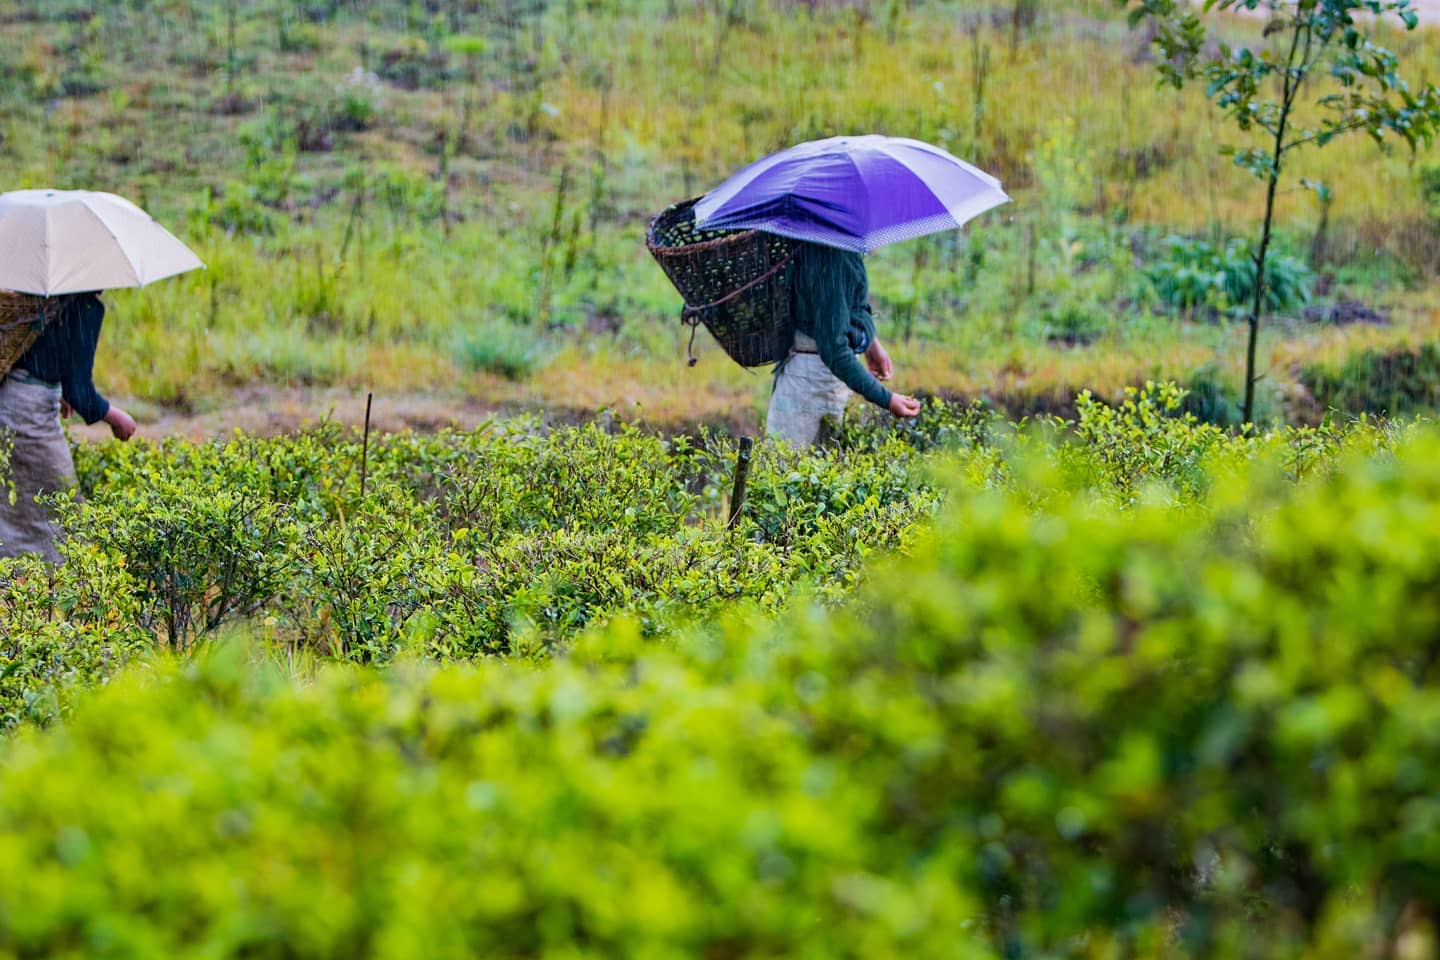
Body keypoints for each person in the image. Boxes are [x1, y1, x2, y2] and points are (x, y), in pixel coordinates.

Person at [0, 292, 135, 563]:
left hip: (11, 397)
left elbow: (37, 354)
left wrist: (56, 387)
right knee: (63, 505)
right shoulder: (86, 307)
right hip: (27, 413)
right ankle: (62, 580)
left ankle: (21, 576)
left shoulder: (46, 297)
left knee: (17, 502)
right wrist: (115, 416)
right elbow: (80, 391)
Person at [766, 241, 921, 447]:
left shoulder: (840, 247)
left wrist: (871, 344)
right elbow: (835, 351)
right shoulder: (833, 253)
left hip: (819, 377)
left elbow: (845, 307)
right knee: (783, 471)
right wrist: (887, 399)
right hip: (810, 382)